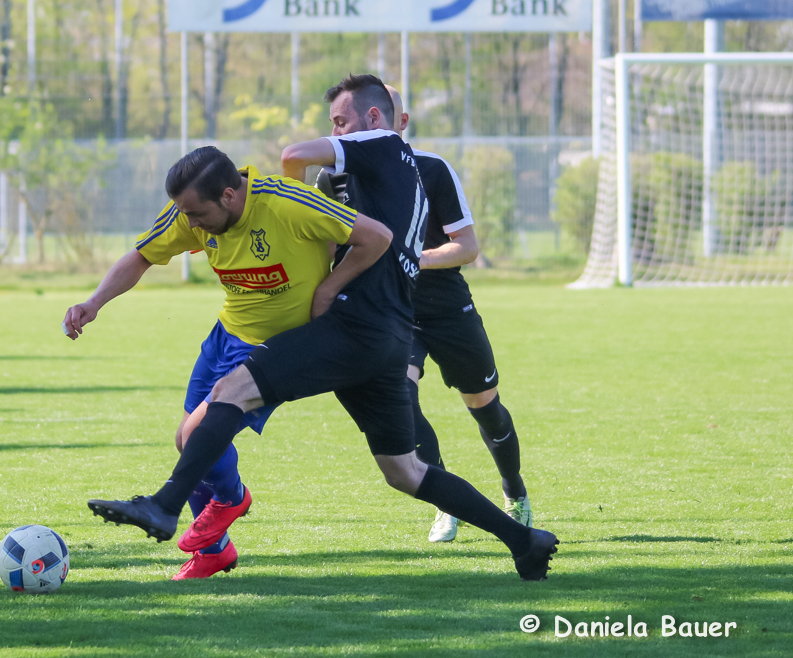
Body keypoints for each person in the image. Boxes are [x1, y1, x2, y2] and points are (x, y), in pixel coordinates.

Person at [87, 74, 559, 581]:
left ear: (374, 118)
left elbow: (297, 157)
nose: (333, 132)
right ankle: (524, 541)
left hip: (353, 325)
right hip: (390, 335)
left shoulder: (380, 145)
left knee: (231, 391)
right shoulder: (397, 173)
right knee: (404, 471)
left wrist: (326, 282)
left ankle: (164, 505)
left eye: (339, 122)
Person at [64, 146, 391, 579]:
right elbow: (142, 255)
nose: (192, 224)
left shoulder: (287, 204)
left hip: (271, 351)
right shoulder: (191, 212)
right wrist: (93, 303)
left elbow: (378, 237)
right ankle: (213, 552)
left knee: (196, 434)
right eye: (187, 215)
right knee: (186, 440)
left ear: (228, 196)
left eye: (198, 215)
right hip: (224, 337)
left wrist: (329, 289)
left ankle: (232, 499)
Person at [325, 86, 534, 544]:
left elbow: (467, 247)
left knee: (485, 406)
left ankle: (514, 492)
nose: (336, 134)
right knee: (400, 397)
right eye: (333, 124)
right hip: (390, 313)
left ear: (396, 122)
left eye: (342, 122)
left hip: (446, 308)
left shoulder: (432, 169)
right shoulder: (334, 178)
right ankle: (447, 503)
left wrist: (406, 257)